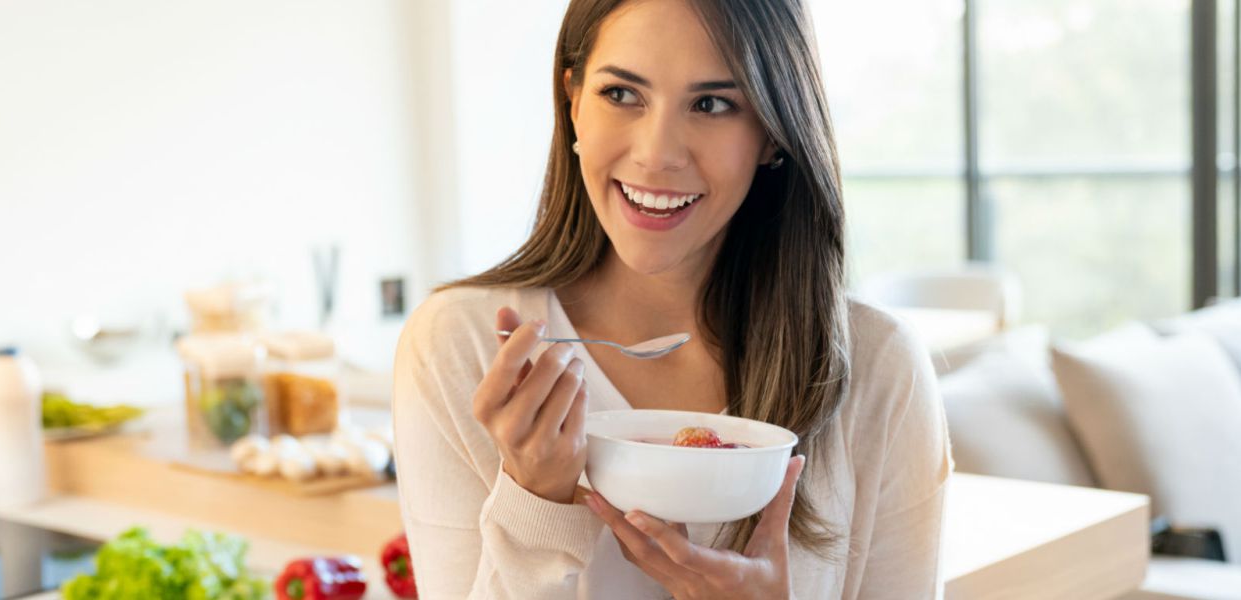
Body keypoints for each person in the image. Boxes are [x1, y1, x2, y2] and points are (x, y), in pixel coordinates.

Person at [391, 0, 952, 597]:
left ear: (772, 133)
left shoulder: (878, 367)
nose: (657, 154)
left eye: (711, 104)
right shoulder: (459, 347)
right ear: (573, 102)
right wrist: (534, 504)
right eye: (621, 94)